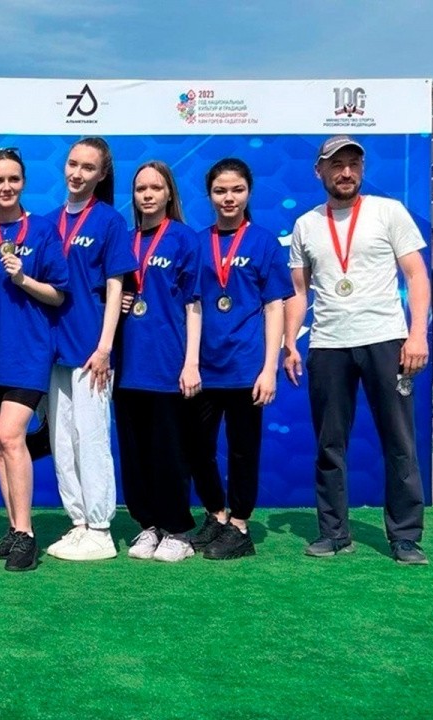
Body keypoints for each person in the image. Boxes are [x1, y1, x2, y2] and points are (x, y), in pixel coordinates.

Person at [284, 135, 430, 565]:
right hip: (328, 344)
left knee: (399, 441)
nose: (345, 172)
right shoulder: (306, 224)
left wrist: (417, 334)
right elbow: (298, 291)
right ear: (319, 171)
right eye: (336, 164)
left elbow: (417, 275)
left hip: (386, 339)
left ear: (362, 169)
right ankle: (334, 533)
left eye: (353, 164)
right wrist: (290, 342)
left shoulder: (389, 211)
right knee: (329, 444)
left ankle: (405, 536)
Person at [185, 158, 292, 560]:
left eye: (237, 190)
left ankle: (241, 526)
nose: (228, 198)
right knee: (197, 448)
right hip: (204, 368)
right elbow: (192, 304)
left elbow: (275, 306)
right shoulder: (197, 243)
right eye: (220, 191)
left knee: (244, 451)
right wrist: (190, 362)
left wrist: (269, 368)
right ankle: (216, 515)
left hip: (247, 368)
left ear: (248, 192)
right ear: (209, 195)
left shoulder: (263, 242)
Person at [0, 149, 68, 572]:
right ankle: (13, 528)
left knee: (12, 436)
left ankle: (27, 534)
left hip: (29, 350)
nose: (6, 187)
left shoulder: (43, 230)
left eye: (13, 179)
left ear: (23, 181)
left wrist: (23, 278)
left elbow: (59, 294)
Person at [43, 137, 136, 562]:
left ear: (101, 175)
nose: (77, 173)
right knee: (62, 440)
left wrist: (104, 347)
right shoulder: (48, 222)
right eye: (72, 164)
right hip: (53, 348)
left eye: (87, 167)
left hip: (90, 349)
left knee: (92, 438)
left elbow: (117, 288)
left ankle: (101, 529)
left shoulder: (109, 221)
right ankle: (78, 522)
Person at [115, 161, 202, 563]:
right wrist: (119, 300)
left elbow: (193, 305)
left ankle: (178, 530)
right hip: (127, 366)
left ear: (169, 193)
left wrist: (191, 363)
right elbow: (111, 295)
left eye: (155, 187)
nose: (147, 195)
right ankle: (148, 524)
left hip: (168, 363)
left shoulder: (184, 239)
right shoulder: (124, 240)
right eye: (140, 189)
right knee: (135, 454)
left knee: (170, 452)